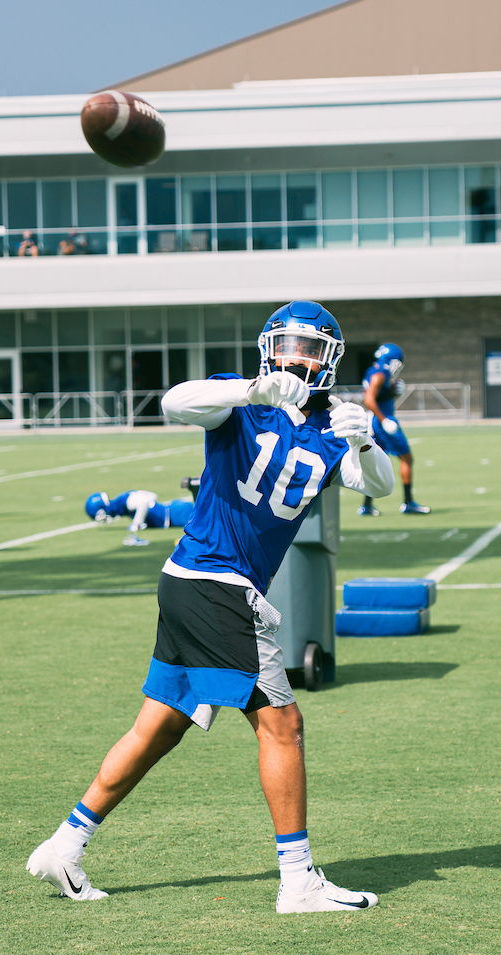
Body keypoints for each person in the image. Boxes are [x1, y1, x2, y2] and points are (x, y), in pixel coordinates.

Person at [28, 301, 395, 913]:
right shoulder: (239, 396)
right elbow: (174, 403)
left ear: (329, 359)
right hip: (215, 582)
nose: (298, 358)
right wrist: (255, 388)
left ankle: (64, 846)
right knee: (282, 724)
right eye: (290, 345)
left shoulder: (333, 423)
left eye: (311, 349)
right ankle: (298, 880)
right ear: (269, 347)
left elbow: (377, 484)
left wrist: (367, 440)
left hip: (194, 582)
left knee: (159, 727)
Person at [358, 343, 429, 516]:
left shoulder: (373, 372)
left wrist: (391, 394)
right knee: (407, 458)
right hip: (383, 422)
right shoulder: (380, 375)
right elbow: (368, 400)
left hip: (376, 421)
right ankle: (408, 502)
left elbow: (377, 397)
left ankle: (366, 506)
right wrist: (384, 421)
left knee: (375, 463)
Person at [84, 489, 196, 546]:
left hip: (176, 514)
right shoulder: (122, 501)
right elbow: (152, 496)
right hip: (174, 510)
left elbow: (143, 502)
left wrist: (136, 524)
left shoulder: (125, 502)